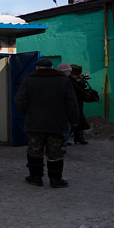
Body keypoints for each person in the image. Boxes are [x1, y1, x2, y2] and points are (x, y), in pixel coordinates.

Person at [14, 58, 79, 188]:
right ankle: (55, 179)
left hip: (35, 124)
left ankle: (36, 177)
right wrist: (74, 121)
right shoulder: (63, 81)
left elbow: (19, 100)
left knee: (35, 151)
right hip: (57, 124)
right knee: (55, 153)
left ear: (37, 68)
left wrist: (28, 113)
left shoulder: (29, 80)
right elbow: (72, 103)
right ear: (51, 67)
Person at [69, 65, 91, 145]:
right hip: (74, 104)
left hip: (77, 103)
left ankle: (78, 137)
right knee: (74, 122)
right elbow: (78, 92)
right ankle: (68, 138)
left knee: (79, 121)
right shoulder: (70, 81)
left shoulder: (72, 80)